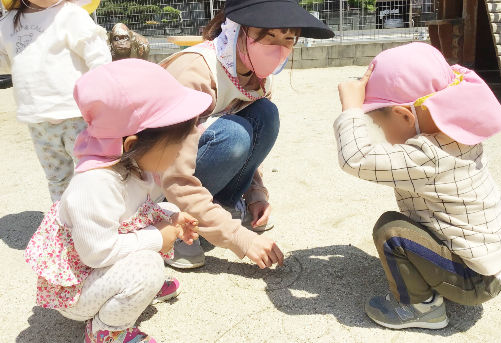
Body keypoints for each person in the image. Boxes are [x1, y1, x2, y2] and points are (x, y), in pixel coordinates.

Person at [24, 59, 211, 343]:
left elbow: (136, 211)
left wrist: (169, 220)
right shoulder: (94, 186)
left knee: (169, 211)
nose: (180, 153)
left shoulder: (131, 165)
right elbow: (97, 254)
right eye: (175, 146)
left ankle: (130, 288)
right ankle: (107, 332)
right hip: (77, 289)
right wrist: (158, 238)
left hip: (97, 266)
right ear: (133, 145)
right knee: (149, 265)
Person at [334, 43, 501, 329]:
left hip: (475, 282)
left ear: (405, 115)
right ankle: (438, 280)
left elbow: (355, 158)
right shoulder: (460, 137)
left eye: (380, 125)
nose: (382, 134)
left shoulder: (427, 156)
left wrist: (351, 110)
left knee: (392, 231)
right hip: (495, 268)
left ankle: (420, 308)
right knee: (413, 225)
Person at [160, 0, 334, 269]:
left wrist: (256, 195)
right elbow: (172, 174)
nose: (279, 47)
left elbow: (253, 142)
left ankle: (222, 208)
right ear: (238, 31)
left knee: (265, 114)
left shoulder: (257, 75)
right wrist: (240, 239)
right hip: (159, 186)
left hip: (195, 170)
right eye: (269, 35)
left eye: (289, 38)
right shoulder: (196, 71)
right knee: (233, 133)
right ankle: (176, 228)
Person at [0, 0, 111, 201]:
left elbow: (98, 55)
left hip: (77, 114)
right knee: (57, 178)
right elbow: (6, 60)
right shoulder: (9, 23)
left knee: (93, 172)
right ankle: (63, 223)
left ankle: (98, 219)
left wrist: (100, 94)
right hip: (38, 119)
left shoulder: (71, 15)